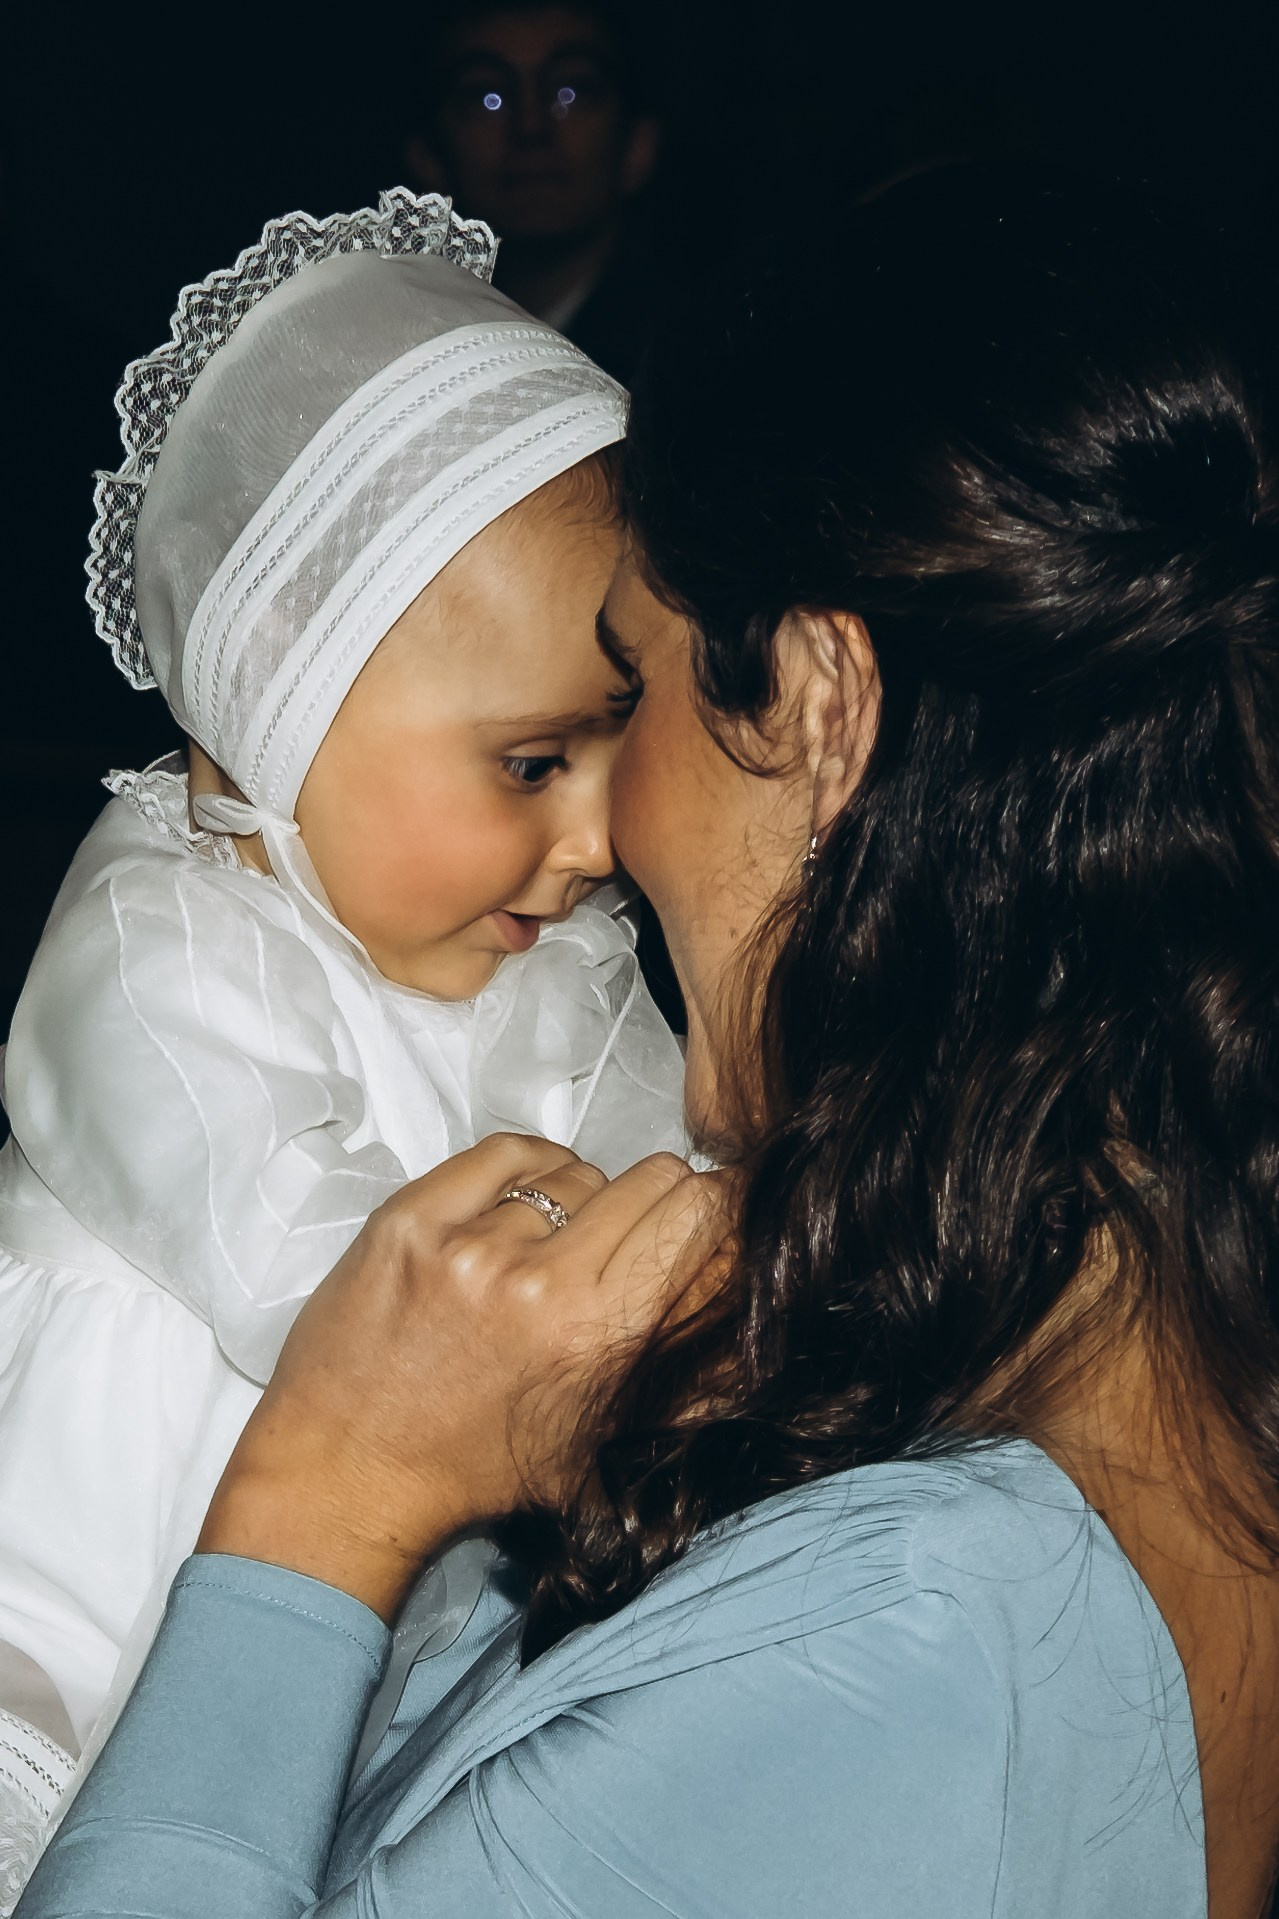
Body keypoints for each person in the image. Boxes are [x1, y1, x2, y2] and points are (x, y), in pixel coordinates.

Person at [21, 164, 1279, 1919]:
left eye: (637, 681)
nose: (609, 833)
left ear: (820, 709)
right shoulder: (1120, 1307)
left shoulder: (904, 1642)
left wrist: (328, 1495)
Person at [0, 185, 687, 1805]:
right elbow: (303, 1265)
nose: (594, 836)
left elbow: (658, 1160)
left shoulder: (548, 935)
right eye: (530, 759)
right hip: (77, 1571)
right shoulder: (157, 935)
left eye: (613, 741)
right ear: (273, 705)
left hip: (385, 1597)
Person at [404, 1, 664, 384]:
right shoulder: (403, 352)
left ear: (638, 148)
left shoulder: (693, 356)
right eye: (487, 97)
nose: (531, 127)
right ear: (428, 159)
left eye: (571, 91)